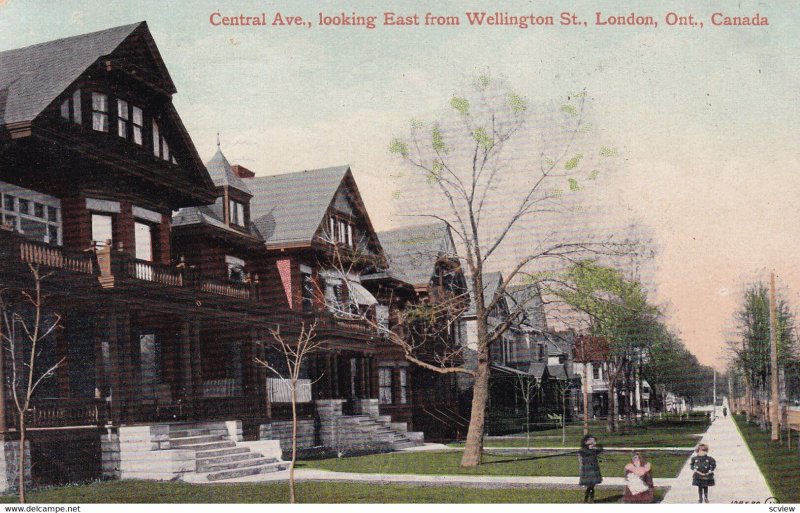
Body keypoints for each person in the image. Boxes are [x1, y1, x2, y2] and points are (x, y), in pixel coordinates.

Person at [578, 434, 603, 503]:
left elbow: (601, 449)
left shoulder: (594, 451)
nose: (593, 445)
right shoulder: (583, 451)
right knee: (590, 486)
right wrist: (588, 446)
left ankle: (590, 499)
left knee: (592, 486)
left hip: (594, 471)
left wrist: (594, 445)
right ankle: (587, 499)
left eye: (593, 444)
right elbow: (582, 452)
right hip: (588, 471)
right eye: (591, 443)